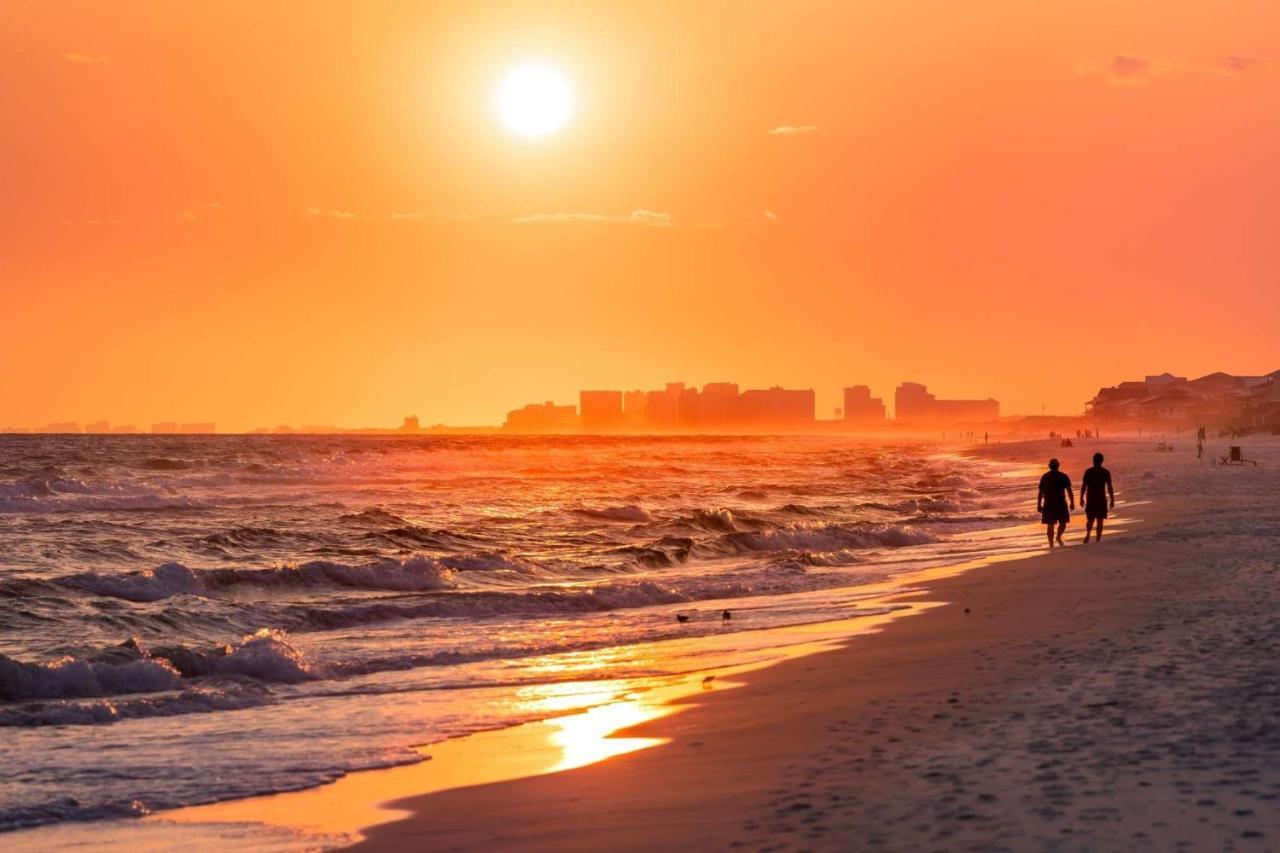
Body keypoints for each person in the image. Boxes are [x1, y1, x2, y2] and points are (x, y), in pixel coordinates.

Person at [1037, 458, 1074, 548]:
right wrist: (1072, 502)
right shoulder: (1063, 476)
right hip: (1060, 503)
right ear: (1058, 466)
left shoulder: (1045, 477)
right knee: (1063, 523)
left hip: (1049, 503)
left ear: (1049, 466)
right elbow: (1069, 491)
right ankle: (1058, 537)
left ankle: (1051, 543)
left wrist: (1038, 504)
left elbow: (1040, 493)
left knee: (1051, 524)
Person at [1079, 452, 1115, 543]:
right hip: (1101, 499)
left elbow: (1084, 486)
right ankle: (1097, 540)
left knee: (1090, 520)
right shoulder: (1105, 472)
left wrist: (1081, 498)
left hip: (1091, 499)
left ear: (1093, 460)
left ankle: (1088, 534)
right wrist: (1112, 499)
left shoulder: (1088, 472)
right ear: (1102, 461)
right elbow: (1110, 487)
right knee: (1100, 521)